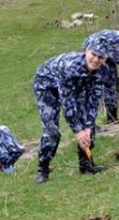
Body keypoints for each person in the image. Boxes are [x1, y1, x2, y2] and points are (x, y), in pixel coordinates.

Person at [32, 42, 110, 183]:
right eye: (93, 54)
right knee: (52, 131)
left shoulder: (103, 70)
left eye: (101, 57)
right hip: (46, 87)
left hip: (76, 87)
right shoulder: (69, 67)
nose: (96, 59)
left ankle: (86, 165)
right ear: (86, 51)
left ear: (105, 58)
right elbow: (68, 102)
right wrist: (77, 131)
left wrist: (87, 127)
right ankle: (43, 169)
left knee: (89, 127)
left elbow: (93, 100)